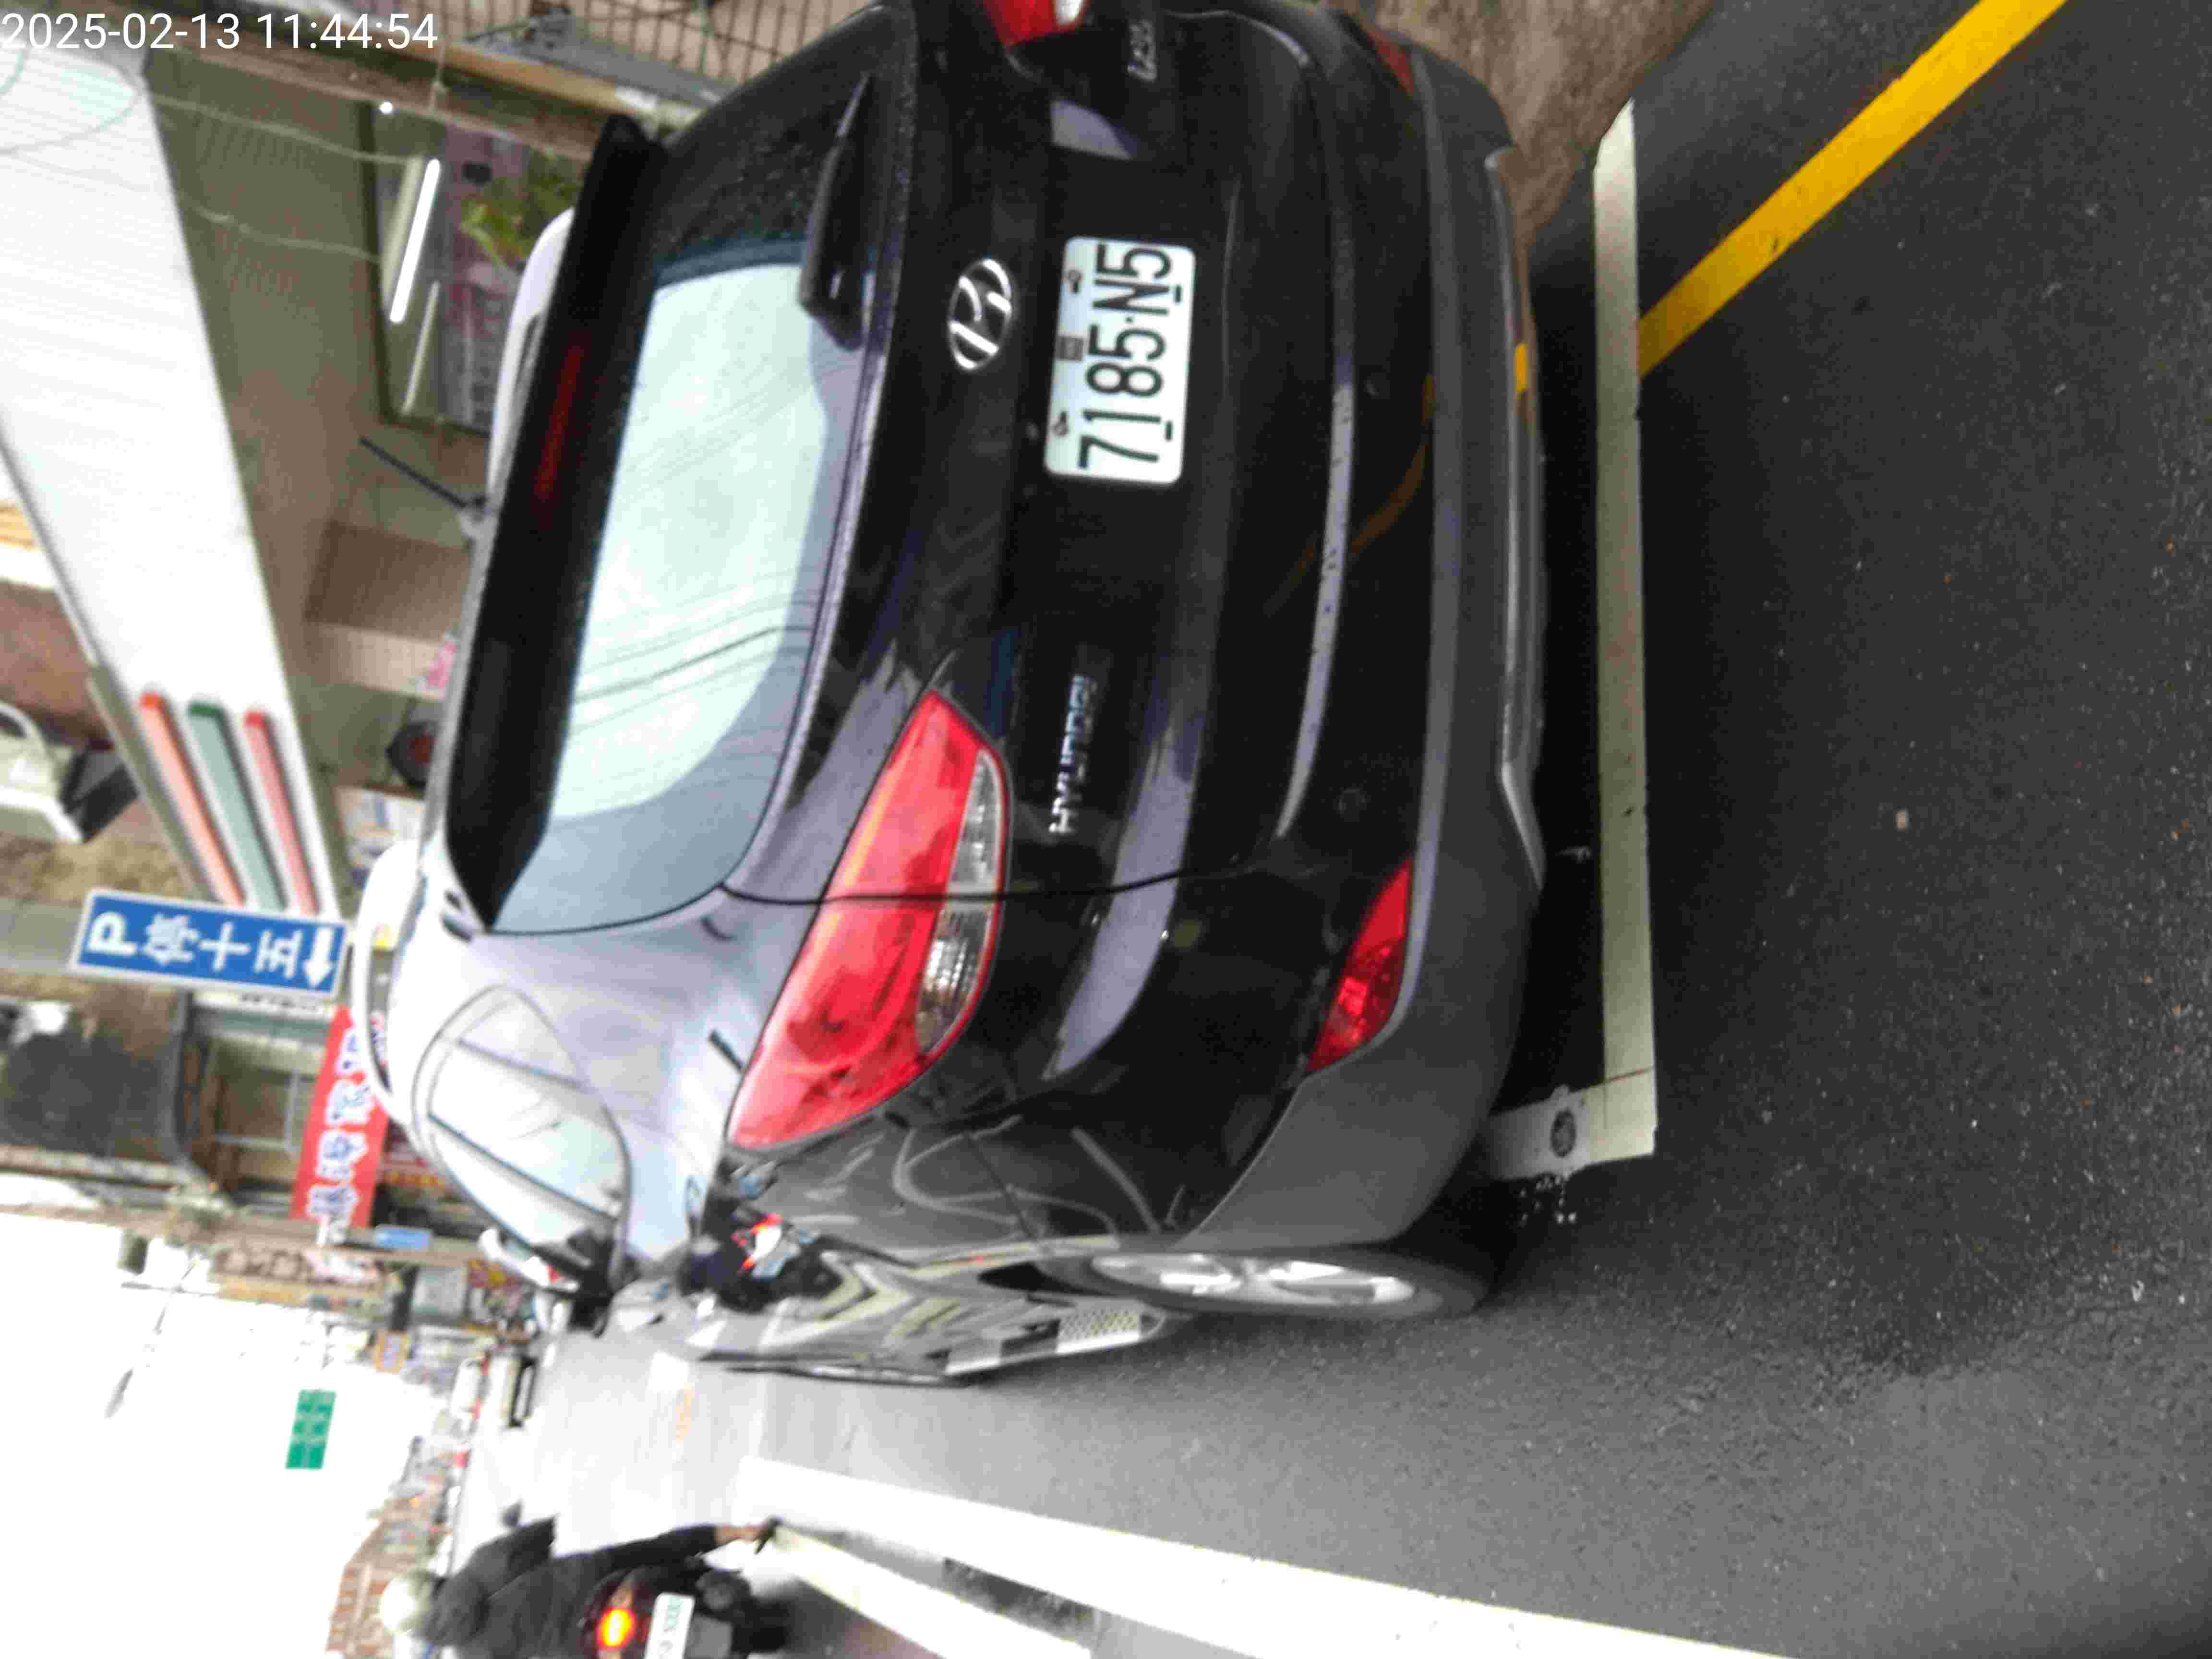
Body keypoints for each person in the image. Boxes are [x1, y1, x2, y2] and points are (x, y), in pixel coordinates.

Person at [380, 1515, 778, 1658]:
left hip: (583, 1649)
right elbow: (543, 1534)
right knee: (664, 1548)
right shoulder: (483, 1563)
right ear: (426, 1582)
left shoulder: (471, 1656)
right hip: (596, 1576)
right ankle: (743, 1532)